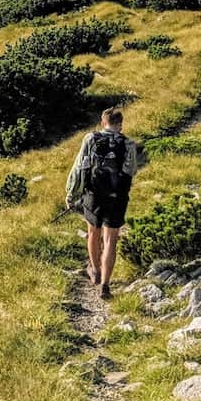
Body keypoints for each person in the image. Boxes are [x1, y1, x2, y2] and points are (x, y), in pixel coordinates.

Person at [65, 107, 137, 299]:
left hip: (93, 195)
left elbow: (80, 167)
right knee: (111, 239)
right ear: (120, 125)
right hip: (117, 197)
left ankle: (95, 270)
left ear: (103, 122)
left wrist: (71, 193)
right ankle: (105, 284)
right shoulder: (128, 144)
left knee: (93, 232)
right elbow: (131, 171)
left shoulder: (91, 139)